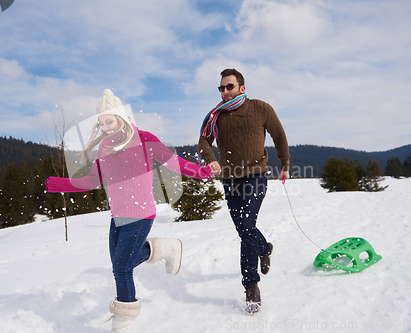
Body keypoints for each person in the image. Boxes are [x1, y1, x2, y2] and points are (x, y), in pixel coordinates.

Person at [46, 89, 212, 333]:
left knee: (121, 269)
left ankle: (124, 324)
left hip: (142, 213)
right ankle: (165, 248)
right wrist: (63, 184)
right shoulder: (103, 148)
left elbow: (172, 162)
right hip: (118, 216)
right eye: (101, 123)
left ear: (121, 117)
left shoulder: (144, 139)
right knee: (122, 264)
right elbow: (93, 181)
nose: (106, 127)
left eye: (109, 121)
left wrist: (200, 171)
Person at [198, 68, 290, 314]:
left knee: (247, 228)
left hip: (256, 175)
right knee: (243, 229)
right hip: (229, 179)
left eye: (229, 86)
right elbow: (204, 141)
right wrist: (210, 159)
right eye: (221, 88)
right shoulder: (215, 116)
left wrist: (285, 164)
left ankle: (251, 286)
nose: (225, 92)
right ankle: (264, 248)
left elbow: (279, 135)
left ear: (242, 88)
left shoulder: (261, 108)